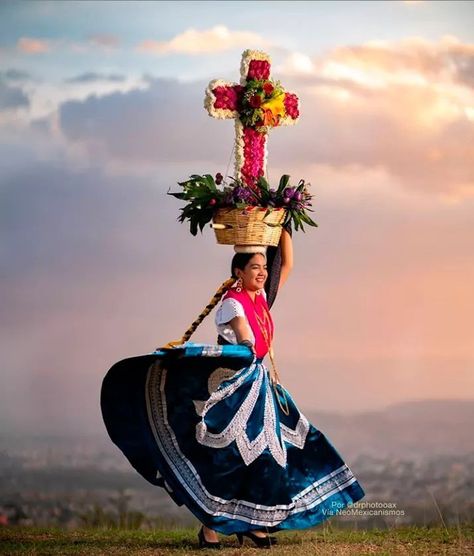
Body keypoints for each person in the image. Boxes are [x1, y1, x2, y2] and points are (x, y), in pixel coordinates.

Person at [101, 228, 365, 550]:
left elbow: (287, 266)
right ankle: (210, 529)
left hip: (258, 386)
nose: (262, 273)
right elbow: (245, 340)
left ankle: (253, 526)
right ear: (238, 272)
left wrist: (282, 225)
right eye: (255, 268)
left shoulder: (260, 298)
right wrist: (248, 343)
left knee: (266, 458)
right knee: (224, 460)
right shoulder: (231, 304)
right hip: (230, 389)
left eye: (264, 268)